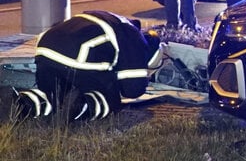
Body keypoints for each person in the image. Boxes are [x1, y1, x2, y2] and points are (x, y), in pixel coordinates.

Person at [13, 11, 163, 120]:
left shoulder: (115, 20)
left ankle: (21, 104)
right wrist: (143, 80)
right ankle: (81, 105)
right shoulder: (135, 39)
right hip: (78, 57)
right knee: (111, 101)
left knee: (54, 96)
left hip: (45, 52)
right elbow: (133, 89)